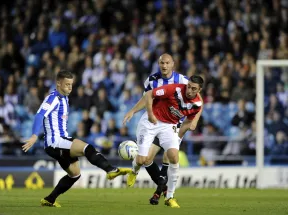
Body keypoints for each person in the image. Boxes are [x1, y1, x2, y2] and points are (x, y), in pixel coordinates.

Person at [22, 70, 131, 207]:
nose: (70, 87)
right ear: (58, 83)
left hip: (59, 143)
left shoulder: (64, 98)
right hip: (56, 141)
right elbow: (39, 115)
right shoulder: (53, 98)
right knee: (87, 148)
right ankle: (110, 170)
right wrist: (33, 135)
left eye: (71, 84)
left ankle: (49, 199)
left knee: (75, 174)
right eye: (67, 84)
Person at [123, 53, 202, 205]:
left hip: (173, 124)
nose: (164, 66)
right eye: (161, 63)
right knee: (145, 159)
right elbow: (146, 97)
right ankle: (145, 177)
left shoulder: (184, 81)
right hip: (154, 120)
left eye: (167, 63)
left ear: (173, 64)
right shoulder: (152, 80)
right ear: (158, 64)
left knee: (171, 156)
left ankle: (166, 194)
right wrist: (133, 110)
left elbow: (198, 99)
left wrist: (194, 121)